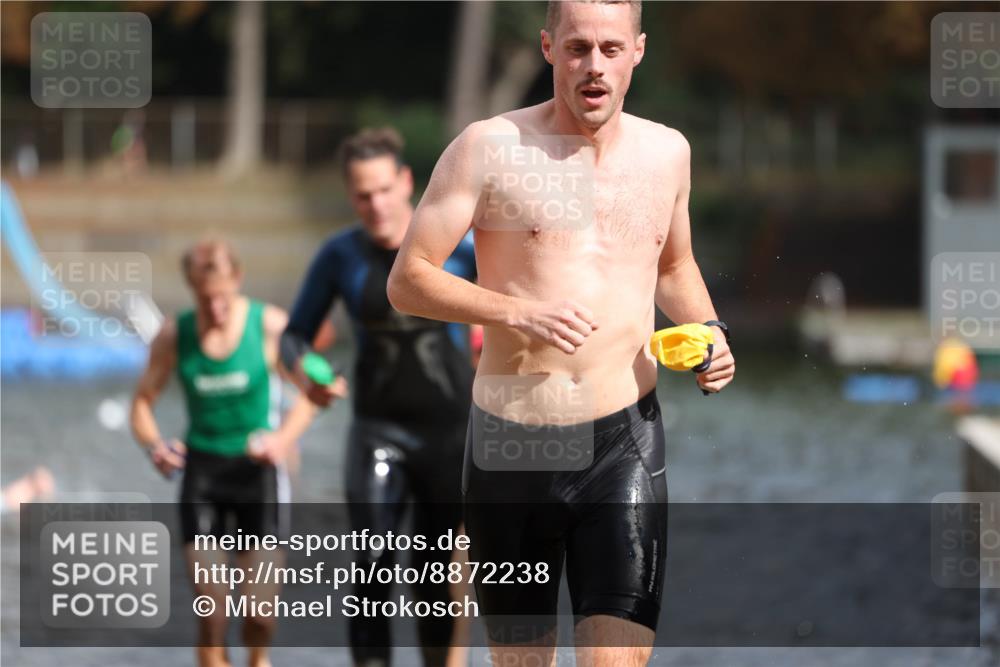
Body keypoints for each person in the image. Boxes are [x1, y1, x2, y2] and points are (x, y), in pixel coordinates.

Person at [387, 1, 736, 666]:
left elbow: (675, 264)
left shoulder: (667, 153)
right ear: (549, 48)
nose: (593, 65)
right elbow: (408, 279)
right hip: (511, 442)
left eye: (610, 48)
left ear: (638, 50)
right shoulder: (491, 148)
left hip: (622, 438)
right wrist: (515, 310)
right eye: (578, 48)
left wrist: (710, 331)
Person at [280, 128, 478, 667]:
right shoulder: (340, 256)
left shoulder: (461, 249)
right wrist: (308, 376)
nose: (376, 204)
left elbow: (515, 311)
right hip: (377, 431)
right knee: (371, 565)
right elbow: (294, 335)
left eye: (385, 189)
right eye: (363, 194)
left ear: (407, 182)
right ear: (351, 195)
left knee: (435, 577)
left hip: (451, 434)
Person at [130, 238, 327, 667]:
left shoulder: (270, 325)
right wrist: (155, 447)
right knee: (213, 609)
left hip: (259, 475)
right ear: (191, 289)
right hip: (202, 477)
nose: (215, 310)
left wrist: (282, 439)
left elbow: (312, 392)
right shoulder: (173, 334)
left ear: (237, 279)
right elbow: (142, 402)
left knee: (259, 613)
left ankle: (258, 659)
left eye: (222, 297)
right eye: (204, 300)